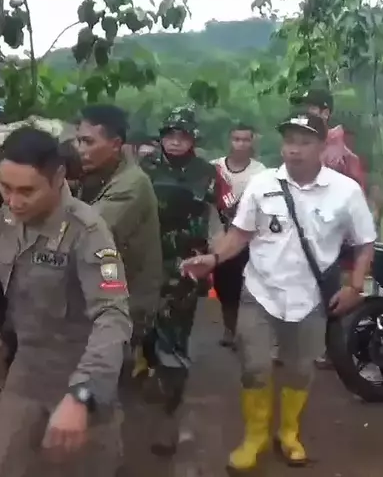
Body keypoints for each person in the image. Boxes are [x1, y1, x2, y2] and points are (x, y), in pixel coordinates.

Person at [180, 112, 375, 471]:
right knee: (254, 367)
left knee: (300, 371)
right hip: (260, 292)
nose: (294, 150)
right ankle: (254, 437)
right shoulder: (262, 183)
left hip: (311, 299)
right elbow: (240, 233)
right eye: (289, 142)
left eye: (304, 143)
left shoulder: (345, 191)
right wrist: (213, 257)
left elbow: (365, 242)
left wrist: (356, 286)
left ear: (322, 147)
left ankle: (288, 433)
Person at [0, 126, 131, 477]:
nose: (14, 201)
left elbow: (113, 316)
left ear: (58, 177)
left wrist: (83, 395)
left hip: (82, 372)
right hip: (27, 372)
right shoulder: (9, 217)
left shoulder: (87, 232)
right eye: (6, 188)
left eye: (27, 191)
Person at [137, 105, 224, 456]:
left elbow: (229, 215)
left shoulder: (209, 174)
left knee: (175, 343)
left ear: (193, 139)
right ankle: (150, 370)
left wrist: (217, 254)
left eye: (182, 136)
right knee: (144, 332)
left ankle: (168, 422)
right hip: (146, 264)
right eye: (169, 135)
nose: (174, 142)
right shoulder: (144, 170)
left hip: (187, 267)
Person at [73, 104, 163, 340]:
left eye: (88, 142)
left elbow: (85, 233)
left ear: (115, 144)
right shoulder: (99, 174)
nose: (80, 149)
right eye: (78, 141)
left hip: (126, 304)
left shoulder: (131, 184)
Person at [294, 88, 367, 368]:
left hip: (331, 232)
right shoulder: (308, 144)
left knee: (329, 289)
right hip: (304, 229)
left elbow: (353, 195)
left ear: (325, 112)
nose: (307, 113)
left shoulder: (338, 153)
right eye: (304, 109)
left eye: (312, 109)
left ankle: (331, 349)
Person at [209, 123, 266, 347]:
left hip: (250, 239)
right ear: (229, 141)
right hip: (221, 238)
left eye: (245, 139)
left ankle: (250, 333)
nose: (240, 144)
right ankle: (229, 329)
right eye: (236, 139)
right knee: (225, 288)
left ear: (252, 142)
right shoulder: (215, 168)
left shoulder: (260, 172)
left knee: (250, 288)